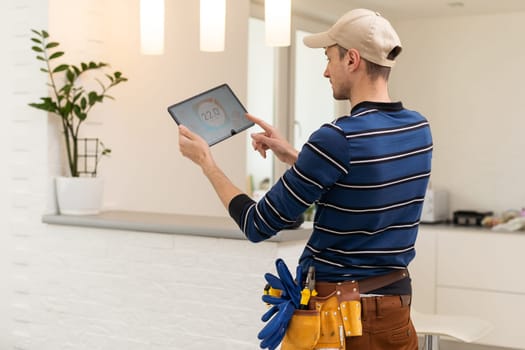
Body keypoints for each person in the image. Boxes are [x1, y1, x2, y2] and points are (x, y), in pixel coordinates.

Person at [178, 8, 432, 350]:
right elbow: (368, 182)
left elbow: (257, 224)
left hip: (344, 320)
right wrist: (298, 158)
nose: (326, 72)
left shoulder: (336, 138)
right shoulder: (418, 128)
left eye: (329, 59)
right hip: (394, 311)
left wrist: (206, 162)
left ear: (352, 60)